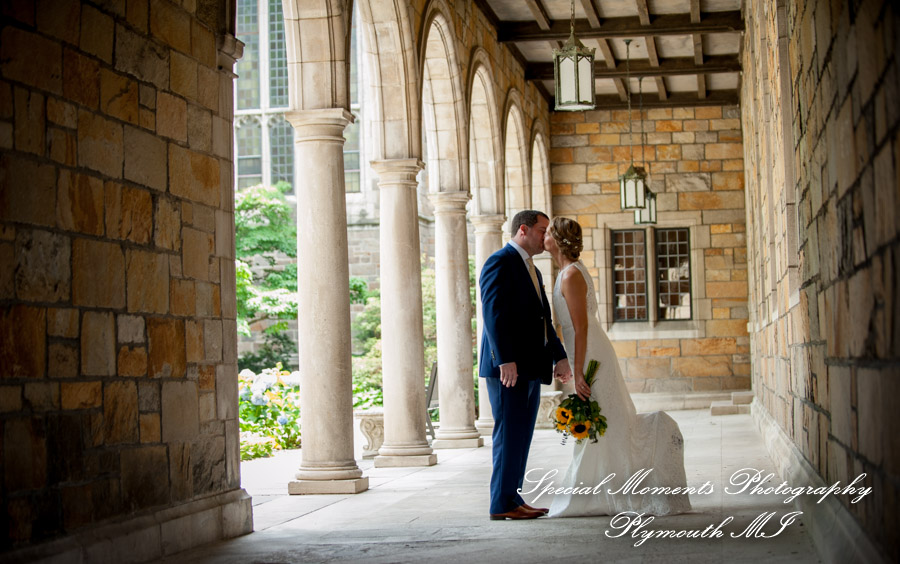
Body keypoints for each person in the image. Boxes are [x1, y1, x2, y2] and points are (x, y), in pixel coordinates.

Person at [544, 217, 692, 517]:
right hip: (583, 351)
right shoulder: (565, 272)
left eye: (548, 231)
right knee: (604, 420)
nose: (543, 235)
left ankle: (603, 492)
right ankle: (603, 491)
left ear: (558, 240)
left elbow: (581, 327)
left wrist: (582, 370)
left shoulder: (571, 275)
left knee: (602, 418)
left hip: (592, 353)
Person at [479, 210, 573, 520]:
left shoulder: (534, 269)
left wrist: (559, 356)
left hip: (531, 366)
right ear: (523, 230)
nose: (546, 237)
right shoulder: (499, 262)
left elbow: (544, 320)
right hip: (509, 368)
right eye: (542, 230)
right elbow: (493, 315)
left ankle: (512, 498)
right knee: (508, 434)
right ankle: (501, 504)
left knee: (521, 434)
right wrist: (505, 359)